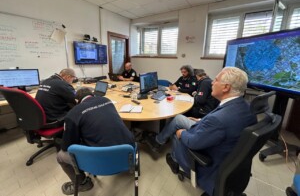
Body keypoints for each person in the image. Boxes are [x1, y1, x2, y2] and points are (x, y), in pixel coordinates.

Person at [145, 67, 257, 196]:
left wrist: (181, 133)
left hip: (208, 161)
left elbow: (193, 142)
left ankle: (175, 159)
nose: (212, 83)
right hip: (216, 140)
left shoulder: (218, 120)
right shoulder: (247, 107)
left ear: (226, 87)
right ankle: (158, 141)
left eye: (216, 80)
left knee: (177, 133)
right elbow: (218, 125)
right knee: (179, 118)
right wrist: (200, 120)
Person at [57, 87, 135, 195]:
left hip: (99, 162)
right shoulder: (106, 100)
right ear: (92, 94)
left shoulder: (73, 113)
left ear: (76, 101)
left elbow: (66, 146)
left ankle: (83, 184)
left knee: (61, 156)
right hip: (127, 155)